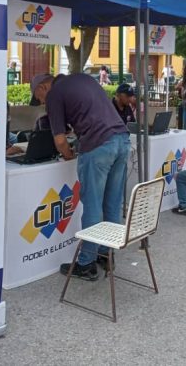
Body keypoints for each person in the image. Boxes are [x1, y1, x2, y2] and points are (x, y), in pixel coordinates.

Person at [31, 73, 130, 281]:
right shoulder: (82, 79)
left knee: (93, 205)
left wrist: (68, 155)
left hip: (98, 145)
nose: (42, 102)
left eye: (39, 98)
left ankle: (86, 263)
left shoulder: (54, 94)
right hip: (122, 140)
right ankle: (106, 254)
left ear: (42, 87)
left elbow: (60, 141)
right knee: (112, 203)